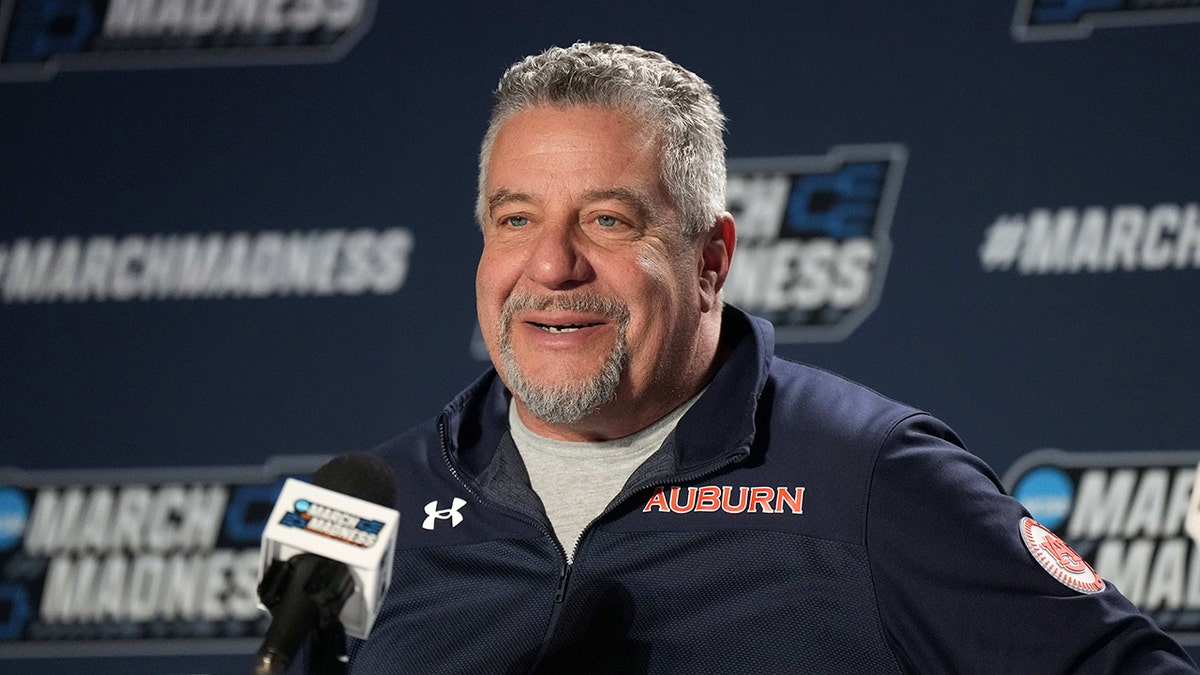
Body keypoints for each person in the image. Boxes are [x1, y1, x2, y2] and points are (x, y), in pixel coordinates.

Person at [321, 43, 1198, 672]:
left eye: (609, 220)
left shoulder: (872, 479)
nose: (551, 265)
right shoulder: (365, 500)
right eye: (516, 219)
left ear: (710, 262)